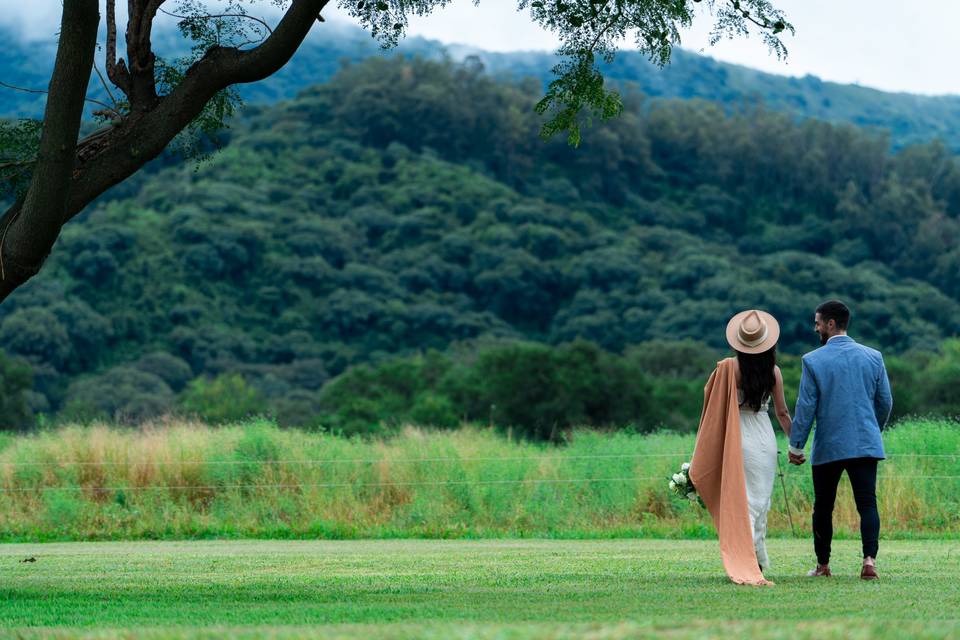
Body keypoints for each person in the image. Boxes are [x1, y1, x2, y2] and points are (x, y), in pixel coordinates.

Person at [788, 300, 893, 581]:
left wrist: (796, 446)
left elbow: (806, 406)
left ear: (831, 324)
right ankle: (869, 561)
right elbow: (885, 402)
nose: (816, 327)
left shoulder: (812, 360)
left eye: (818, 322)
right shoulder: (874, 356)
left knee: (823, 506)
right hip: (865, 443)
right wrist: (872, 430)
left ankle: (823, 566)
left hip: (829, 445)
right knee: (867, 504)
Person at [689, 309, 792, 586]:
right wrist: (795, 444)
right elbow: (782, 413)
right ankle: (756, 558)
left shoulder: (726, 368)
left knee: (742, 501)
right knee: (760, 501)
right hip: (764, 438)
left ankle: (744, 558)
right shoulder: (774, 372)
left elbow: (710, 398)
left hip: (738, 436)